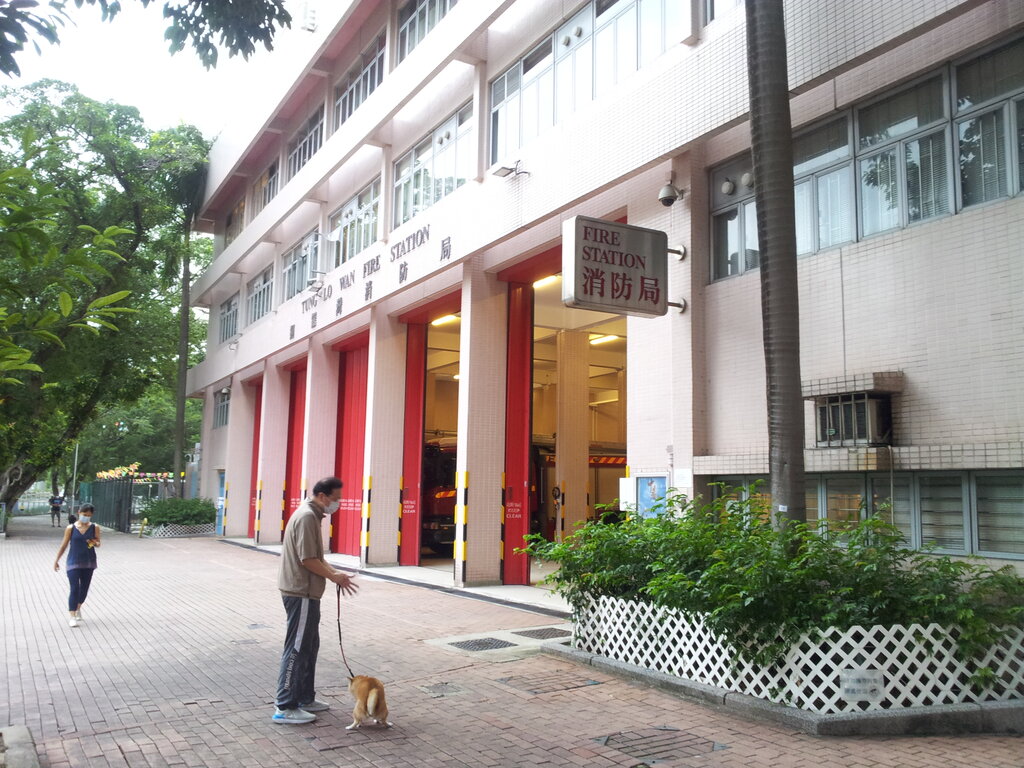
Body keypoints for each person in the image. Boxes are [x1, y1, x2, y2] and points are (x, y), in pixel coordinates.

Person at [273, 476, 358, 725]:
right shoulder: (307, 517)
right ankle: (285, 705)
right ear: (322, 496)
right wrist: (333, 577)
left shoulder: (311, 515)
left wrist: (335, 574)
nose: (338, 503)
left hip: (307, 593)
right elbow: (307, 560)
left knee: (309, 646)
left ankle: (304, 698)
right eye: (336, 498)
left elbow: (317, 558)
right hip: (300, 592)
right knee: (297, 647)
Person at [53, 503, 100, 628]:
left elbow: (98, 542)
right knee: (74, 588)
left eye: (89, 515)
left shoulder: (94, 527)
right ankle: (72, 616)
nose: (86, 517)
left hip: (88, 562)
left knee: (84, 588)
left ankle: (78, 607)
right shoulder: (71, 528)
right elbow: (64, 545)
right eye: (84, 514)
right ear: (79, 512)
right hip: (73, 562)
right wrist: (57, 560)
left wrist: (93, 542)